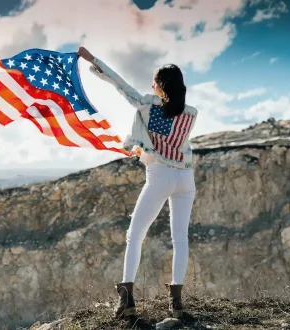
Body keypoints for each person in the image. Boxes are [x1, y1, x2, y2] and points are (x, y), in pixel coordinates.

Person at [76, 46, 198, 319]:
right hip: (186, 179)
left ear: (160, 87)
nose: (150, 85)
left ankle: (127, 299)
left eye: (154, 81)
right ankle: (176, 303)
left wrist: (93, 60)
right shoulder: (191, 113)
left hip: (160, 176)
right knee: (180, 239)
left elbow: (121, 85)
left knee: (135, 236)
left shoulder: (147, 105)